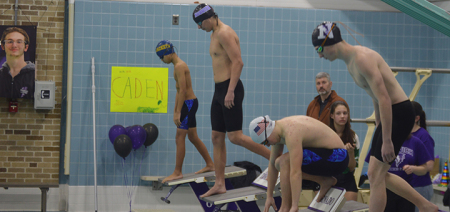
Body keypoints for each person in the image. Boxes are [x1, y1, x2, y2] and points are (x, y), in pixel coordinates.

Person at [312, 21, 438, 212]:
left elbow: (385, 98)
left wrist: (386, 139)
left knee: (375, 175)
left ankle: (424, 205)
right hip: (391, 114)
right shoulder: (351, 63)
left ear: (331, 43)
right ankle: (426, 206)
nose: (320, 55)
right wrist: (379, 125)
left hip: (399, 112)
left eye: (319, 49)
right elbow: (375, 97)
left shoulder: (362, 58)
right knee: (377, 173)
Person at [192, 3, 271, 197]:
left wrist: (230, 91)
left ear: (209, 19)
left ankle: (276, 158)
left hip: (230, 88)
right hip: (219, 89)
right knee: (216, 137)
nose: (199, 28)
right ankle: (220, 183)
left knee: (235, 137)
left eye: (200, 23)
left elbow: (238, 61)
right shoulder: (214, 31)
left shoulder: (224, 33)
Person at [249, 115, 349, 212]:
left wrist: (295, 206)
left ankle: (285, 208)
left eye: (266, 142)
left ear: (269, 132)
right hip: (327, 154)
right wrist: (269, 196)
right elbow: (272, 164)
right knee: (278, 162)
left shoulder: (291, 132)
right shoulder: (278, 130)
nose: (268, 145)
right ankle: (324, 181)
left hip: (338, 157)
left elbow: (296, 172)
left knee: (284, 161)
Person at [155, 40, 214, 183]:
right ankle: (210, 164)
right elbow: (178, 91)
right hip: (188, 104)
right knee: (192, 137)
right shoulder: (177, 66)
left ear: (167, 54)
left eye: (161, 57)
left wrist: (178, 112)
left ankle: (177, 172)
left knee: (179, 137)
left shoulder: (180, 66)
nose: (162, 61)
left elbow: (183, 90)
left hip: (188, 104)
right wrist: (175, 110)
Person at [364, 134, 433, 212]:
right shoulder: (381, 142)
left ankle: (424, 204)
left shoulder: (416, 142)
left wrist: (414, 168)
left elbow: (425, 169)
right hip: (385, 190)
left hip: (406, 192)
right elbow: (373, 168)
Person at [329, 101, 360, 201]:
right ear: (332, 115)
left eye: (345, 113)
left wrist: (350, 153)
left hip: (346, 177)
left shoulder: (353, 137)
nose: (342, 116)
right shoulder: (325, 135)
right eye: (338, 113)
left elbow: (351, 168)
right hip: (327, 177)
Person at [411, 101, 435, 212]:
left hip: (420, 187)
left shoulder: (423, 136)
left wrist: (413, 169)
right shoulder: (402, 135)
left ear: (416, 118)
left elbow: (429, 165)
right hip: (407, 186)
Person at [0, 27, 35, 99]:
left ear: (26, 47)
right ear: (3, 46)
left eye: (19, 41)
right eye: (10, 41)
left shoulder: (34, 75)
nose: (14, 45)